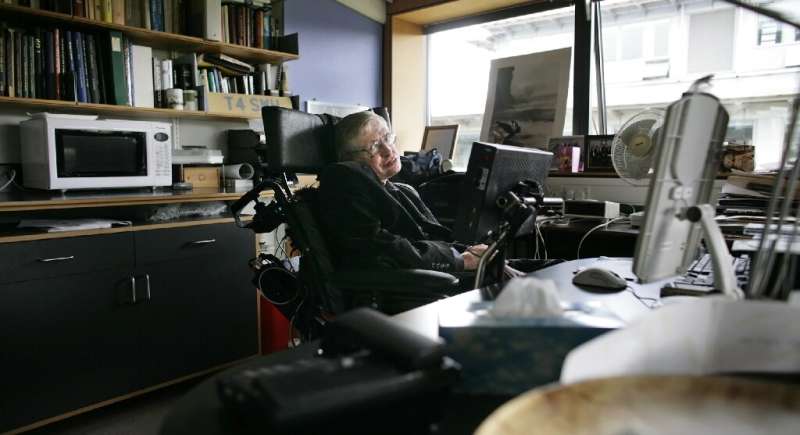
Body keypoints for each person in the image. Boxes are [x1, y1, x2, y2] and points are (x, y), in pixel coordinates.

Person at [318, 111, 487, 273]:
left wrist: (468, 251)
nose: (388, 150)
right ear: (350, 160)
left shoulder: (404, 190)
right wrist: (460, 260)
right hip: (409, 290)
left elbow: (435, 237)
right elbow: (381, 249)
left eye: (387, 138)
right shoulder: (343, 185)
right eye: (374, 147)